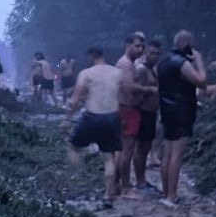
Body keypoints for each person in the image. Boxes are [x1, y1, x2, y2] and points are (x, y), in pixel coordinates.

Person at [65, 46, 127, 206]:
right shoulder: (117, 73)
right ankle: (108, 194)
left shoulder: (86, 73)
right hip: (112, 116)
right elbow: (123, 96)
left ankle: (79, 175)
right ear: (102, 56)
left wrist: (67, 119)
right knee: (108, 157)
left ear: (91, 57)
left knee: (73, 147)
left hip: (92, 116)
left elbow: (76, 98)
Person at [157, 30, 207, 208]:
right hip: (181, 111)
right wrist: (199, 61)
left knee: (167, 153)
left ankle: (165, 192)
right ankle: (172, 196)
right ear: (187, 45)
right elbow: (201, 82)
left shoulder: (163, 61)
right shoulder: (181, 63)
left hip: (167, 110)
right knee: (176, 155)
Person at [115, 31, 147, 194]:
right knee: (126, 150)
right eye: (137, 46)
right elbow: (129, 88)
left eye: (142, 46)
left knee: (122, 150)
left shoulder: (129, 63)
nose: (140, 49)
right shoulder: (126, 64)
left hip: (125, 108)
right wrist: (150, 89)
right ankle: (126, 186)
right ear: (128, 46)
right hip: (127, 109)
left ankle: (116, 184)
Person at [133, 38, 161, 193]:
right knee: (141, 148)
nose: (154, 56)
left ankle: (142, 179)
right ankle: (140, 180)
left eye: (157, 54)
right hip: (142, 112)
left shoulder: (153, 69)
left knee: (146, 147)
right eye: (152, 53)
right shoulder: (141, 69)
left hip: (151, 112)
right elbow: (134, 90)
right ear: (144, 52)